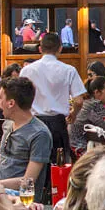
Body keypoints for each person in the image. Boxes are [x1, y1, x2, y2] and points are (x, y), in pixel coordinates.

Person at [19, 33, 87, 163]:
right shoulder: (69, 70)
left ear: (40, 48)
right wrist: (73, 114)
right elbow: (78, 101)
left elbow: (20, 98)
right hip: (57, 123)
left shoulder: (27, 70)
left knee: (34, 162)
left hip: (33, 121)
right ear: (60, 48)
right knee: (58, 164)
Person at [0, 77, 54, 193]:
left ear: (11, 103)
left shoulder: (39, 134)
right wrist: (2, 158)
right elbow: (18, 157)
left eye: (0, 98)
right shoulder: (8, 124)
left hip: (21, 200)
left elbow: (28, 181)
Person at [70, 77, 105, 151]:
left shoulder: (85, 102)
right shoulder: (95, 104)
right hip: (84, 149)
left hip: (73, 148)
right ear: (97, 92)